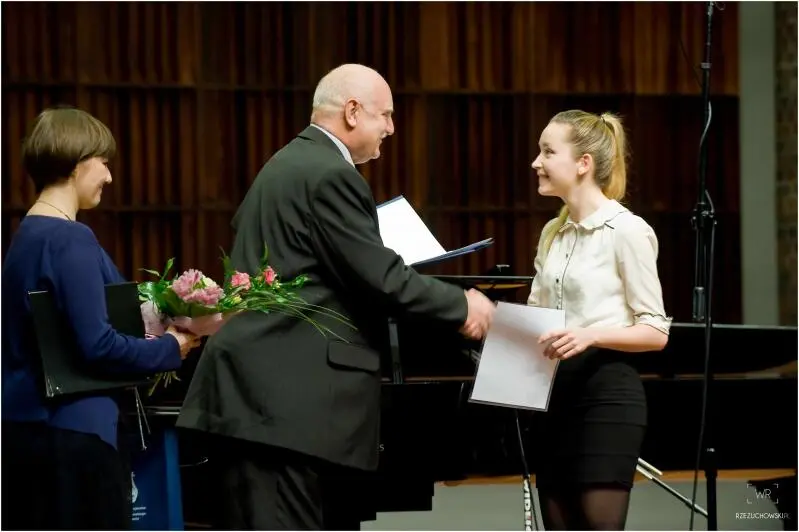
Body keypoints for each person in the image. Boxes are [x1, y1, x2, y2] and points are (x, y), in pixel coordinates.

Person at [176, 63, 496, 530]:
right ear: (352, 111)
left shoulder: (285, 163)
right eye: (385, 115)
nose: (391, 128)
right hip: (283, 401)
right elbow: (379, 277)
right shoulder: (331, 175)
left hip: (257, 395)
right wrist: (463, 305)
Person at [1, 107, 200, 530]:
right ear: (77, 162)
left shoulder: (26, 235)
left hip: (26, 431)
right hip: (73, 435)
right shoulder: (70, 238)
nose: (109, 177)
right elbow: (97, 344)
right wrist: (172, 347)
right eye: (104, 162)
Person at [526, 110, 671, 530]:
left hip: (606, 397)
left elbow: (656, 331)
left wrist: (589, 334)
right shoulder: (552, 233)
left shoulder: (627, 231)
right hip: (554, 397)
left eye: (548, 152)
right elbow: (537, 317)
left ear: (583, 163)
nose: (536, 162)